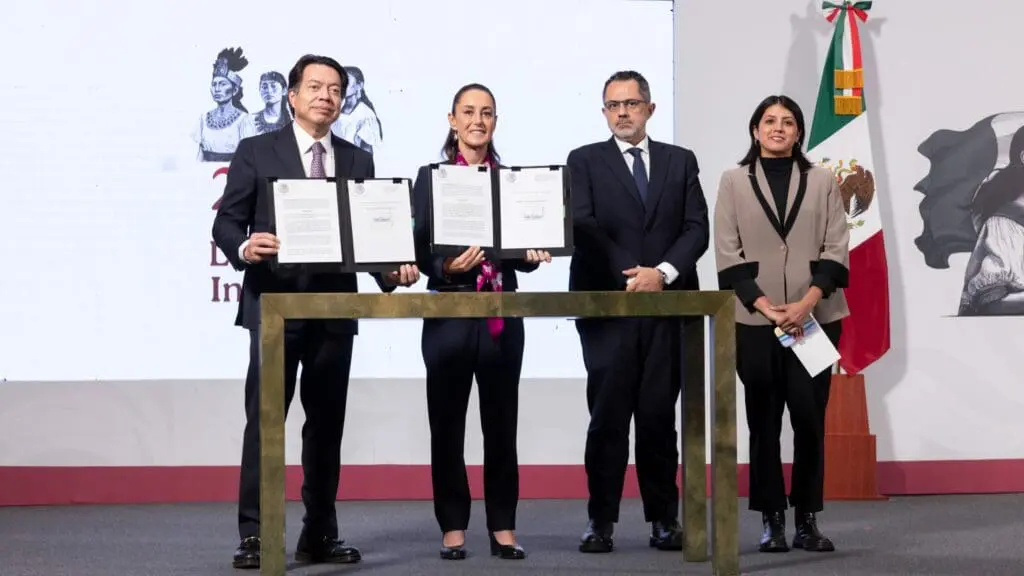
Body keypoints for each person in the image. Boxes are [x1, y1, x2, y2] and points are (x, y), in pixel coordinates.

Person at [212, 54, 420, 570]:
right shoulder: (256, 150)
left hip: (333, 311)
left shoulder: (356, 159)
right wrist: (244, 246)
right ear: (293, 95)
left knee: (326, 427)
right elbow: (226, 223)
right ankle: (256, 536)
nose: (325, 96)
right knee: (265, 424)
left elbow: (368, 242)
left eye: (334, 88)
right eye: (315, 87)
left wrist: (389, 273)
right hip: (274, 309)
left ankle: (319, 534)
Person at [566, 70, 709, 553]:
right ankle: (600, 521)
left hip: (666, 308)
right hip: (608, 307)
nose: (622, 112)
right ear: (604, 112)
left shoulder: (679, 161)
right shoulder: (583, 161)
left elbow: (696, 228)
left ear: (649, 108)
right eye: (613, 105)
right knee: (606, 419)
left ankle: (663, 520)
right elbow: (583, 225)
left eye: (631, 103)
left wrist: (662, 273)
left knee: (657, 419)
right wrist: (633, 273)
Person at [410, 83, 551, 561]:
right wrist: (445, 268)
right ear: (451, 119)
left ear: (496, 120)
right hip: (448, 312)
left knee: (501, 425)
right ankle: (453, 526)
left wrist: (534, 251)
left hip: (500, 313)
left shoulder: (512, 182)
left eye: (486, 112)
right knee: (446, 426)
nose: (477, 120)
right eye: (468, 112)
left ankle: (503, 527)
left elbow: (522, 256)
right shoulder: (431, 179)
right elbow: (417, 247)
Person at [713, 95, 849, 553]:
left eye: (787, 122)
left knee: (809, 418)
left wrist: (807, 302)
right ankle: (771, 519)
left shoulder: (823, 180)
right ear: (755, 130)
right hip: (755, 321)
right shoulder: (733, 181)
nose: (778, 128)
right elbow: (727, 256)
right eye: (769, 121)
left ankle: (807, 518)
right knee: (763, 420)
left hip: (817, 318)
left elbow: (836, 249)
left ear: (798, 132)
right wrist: (768, 307)